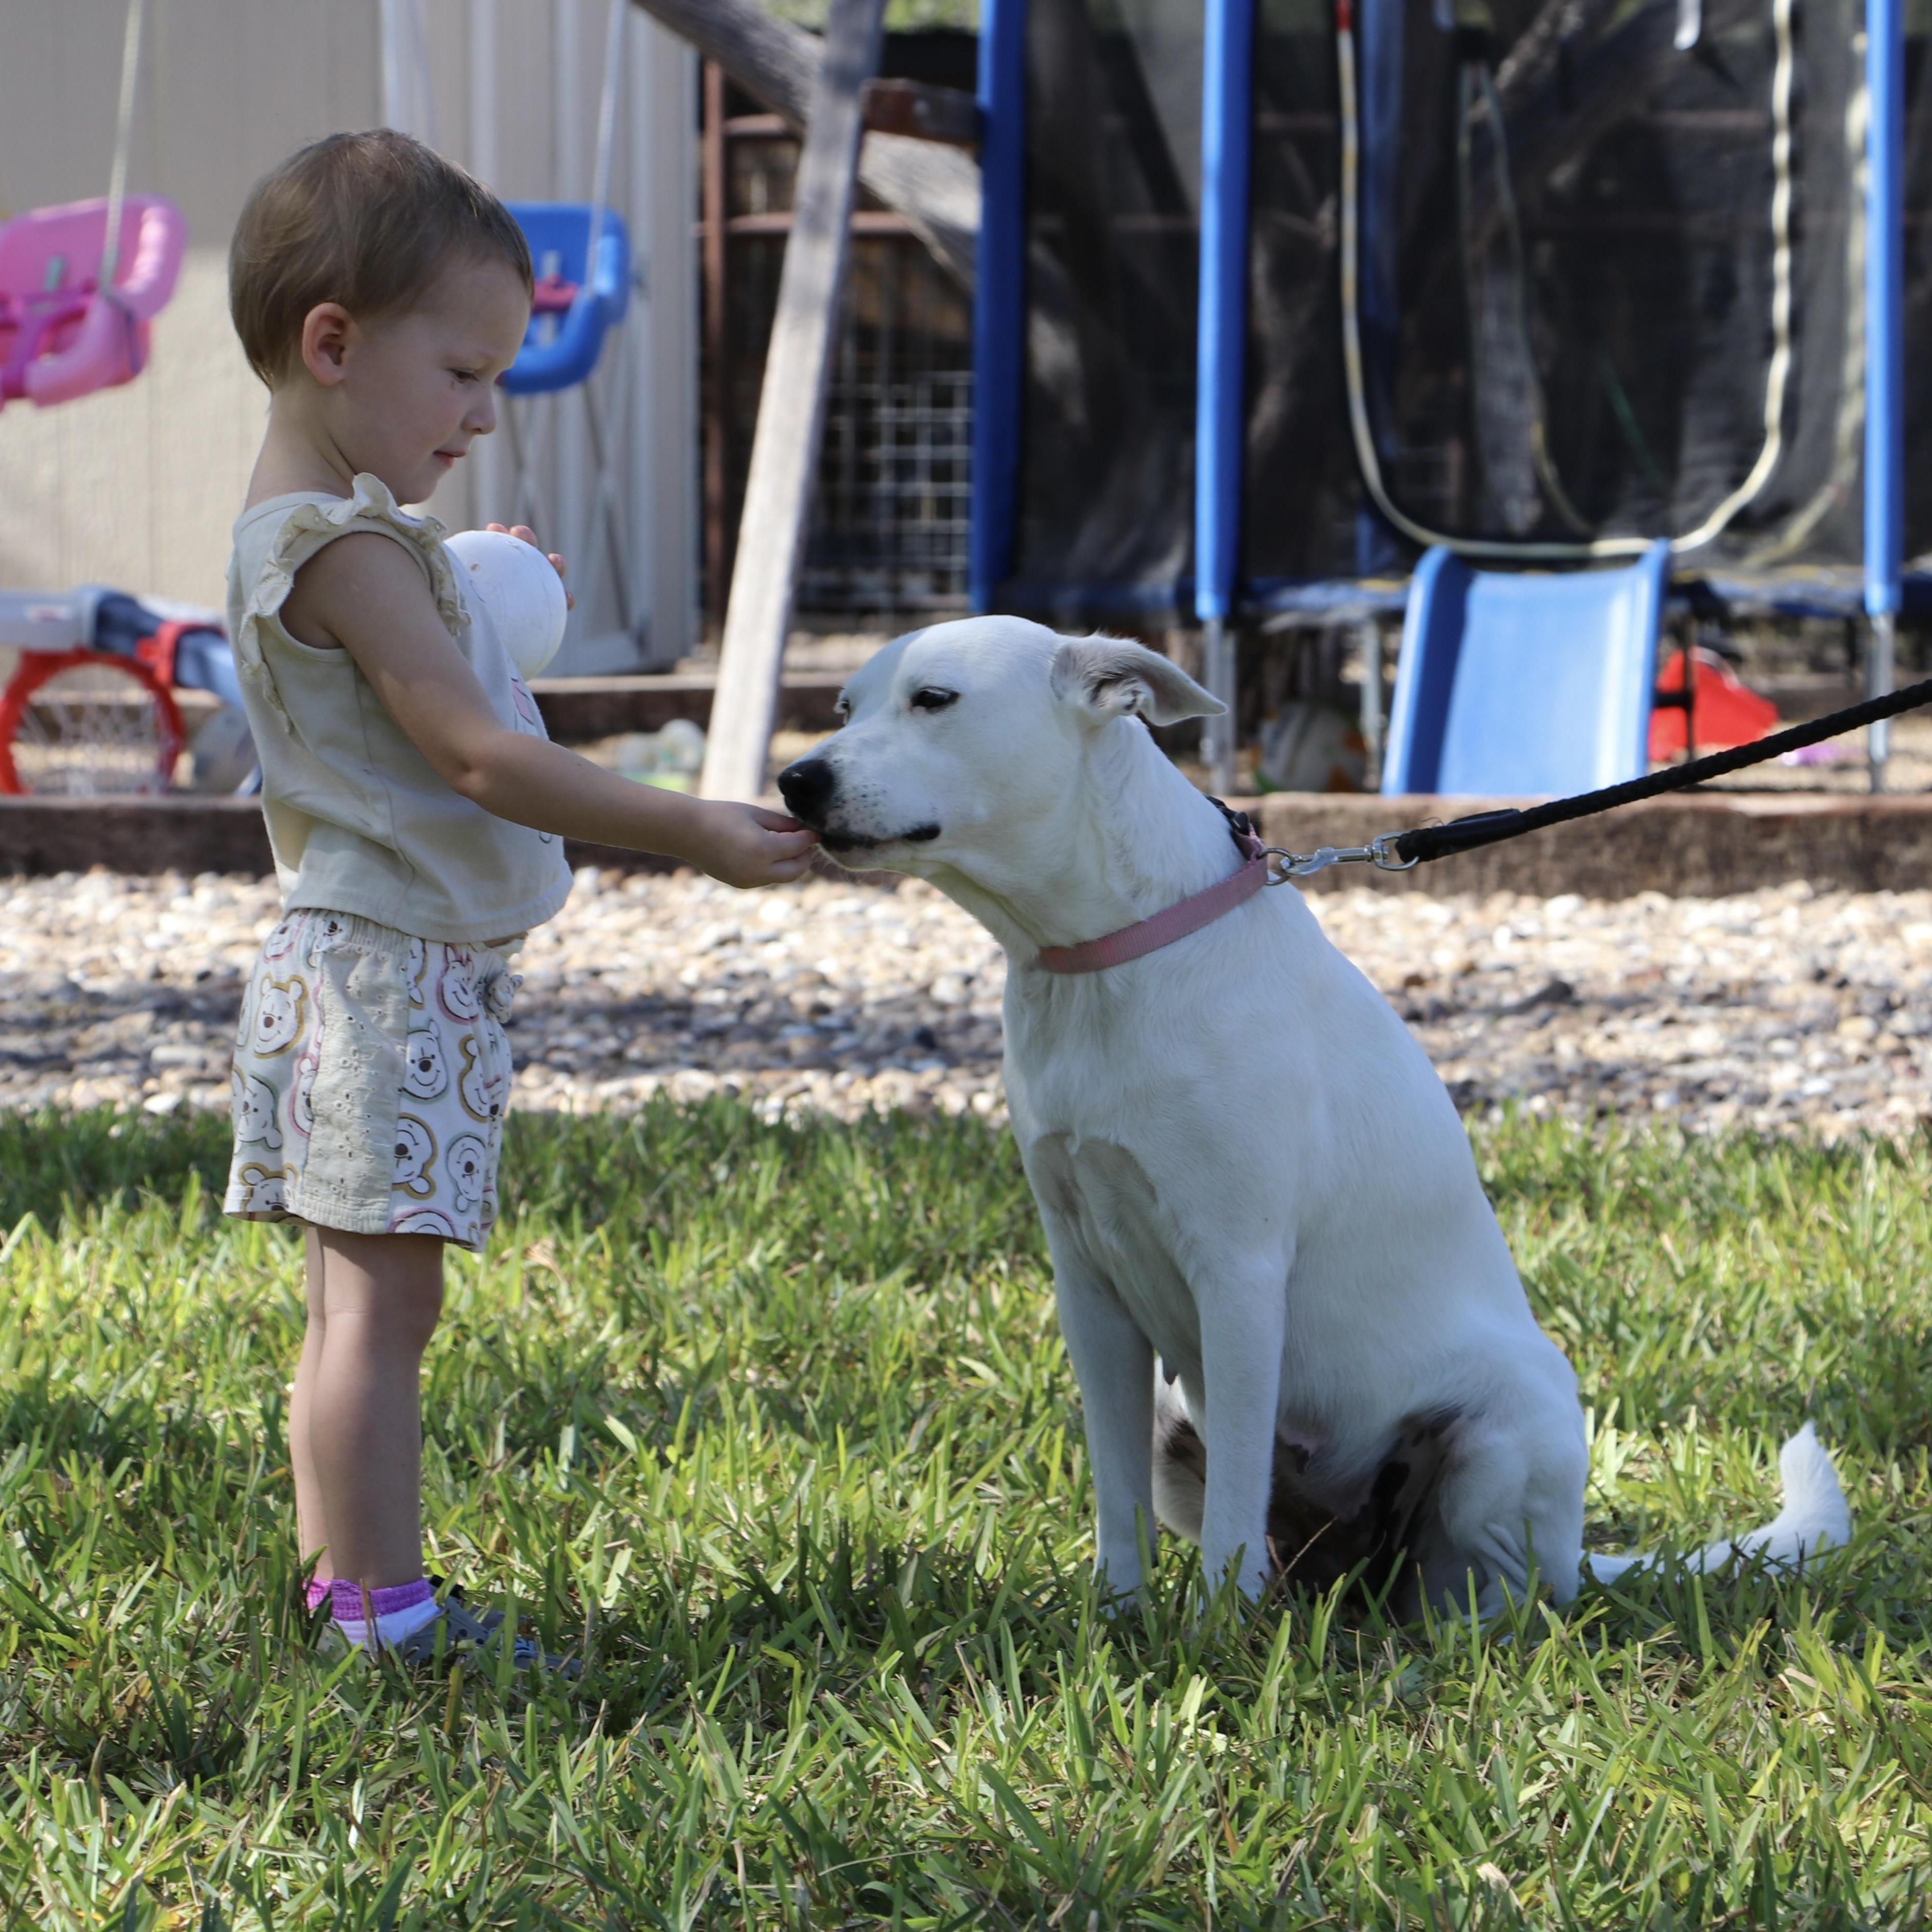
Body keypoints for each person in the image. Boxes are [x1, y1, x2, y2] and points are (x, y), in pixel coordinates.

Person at [222, 129, 817, 1669]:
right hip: (385, 974)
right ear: (333, 344)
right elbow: (478, 758)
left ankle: (341, 1587)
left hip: (365, 961)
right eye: (466, 373)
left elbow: (431, 695)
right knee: (380, 1318)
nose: (486, 415)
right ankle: (389, 1617)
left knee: (352, 1309)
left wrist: (473, 593)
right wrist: (691, 829)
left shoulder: (329, 535)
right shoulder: (343, 548)